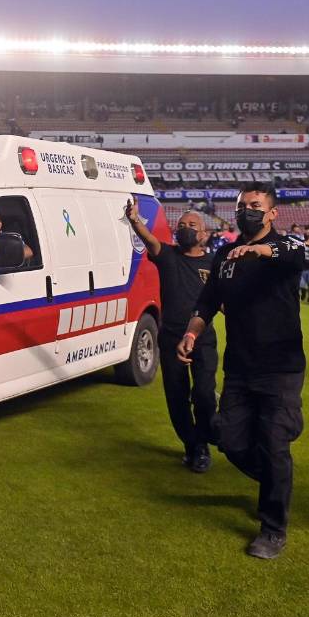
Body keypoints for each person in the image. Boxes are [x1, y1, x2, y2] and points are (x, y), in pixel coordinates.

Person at [178, 182, 309, 560]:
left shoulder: (285, 250)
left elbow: (295, 251)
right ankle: (275, 478)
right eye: (241, 205)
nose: (246, 211)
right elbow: (207, 303)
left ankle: (273, 528)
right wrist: (191, 332)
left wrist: (260, 250)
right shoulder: (224, 257)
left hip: (280, 367)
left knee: (273, 441)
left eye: (255, 205)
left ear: (272, 213)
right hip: (240, 367)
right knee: (229, 439)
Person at [125, 200, 217, 472]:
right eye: (182, 225)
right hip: (170, 339)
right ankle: (195, 447)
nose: (186, 229)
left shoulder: (214, 264)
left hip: (204, 340)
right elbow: (151, 241)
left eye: (192, 225)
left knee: (204, 395)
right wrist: (134, 220)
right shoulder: (167, 256)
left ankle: (204, 438)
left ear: (204, 234)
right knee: (177, 398)